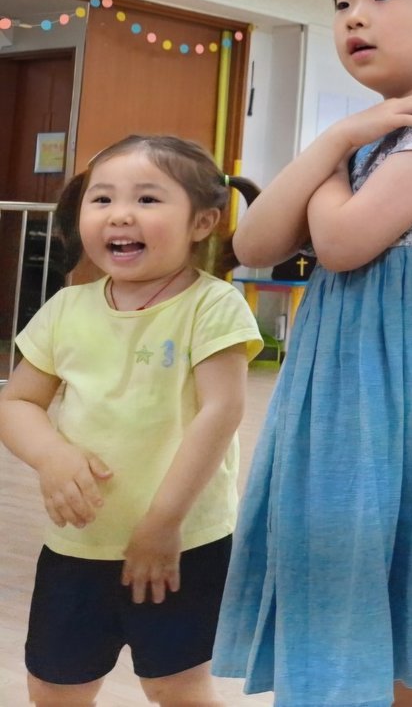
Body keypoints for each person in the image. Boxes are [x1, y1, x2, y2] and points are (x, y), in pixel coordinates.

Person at [211, 0, 412, 706]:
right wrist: (338, 140)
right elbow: (253, 245)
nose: (355, 17)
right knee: (342, 594)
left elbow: (342, 244)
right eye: (344, 3)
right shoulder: (363, 133)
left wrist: (333, 158)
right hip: (343, 389)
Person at [0, 135, 262, 706]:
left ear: (202, 222)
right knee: (54, 687)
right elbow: (16, 403)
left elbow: (221, 411)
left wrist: (164, 522)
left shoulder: (212, 305)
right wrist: (52, 455)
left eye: (147, 199)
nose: (119, 214)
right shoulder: (66, 308)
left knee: (175, 686)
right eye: (102, 199)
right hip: (78, 542)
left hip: (182, 542)